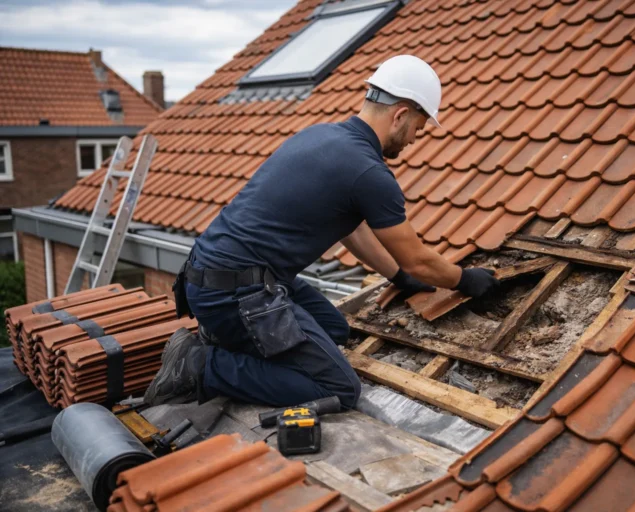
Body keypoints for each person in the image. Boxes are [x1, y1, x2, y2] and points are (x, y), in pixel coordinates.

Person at [144, 55, 500, 411]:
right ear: (401, 115)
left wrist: (396, 276)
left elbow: (353, 230)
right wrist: (464, 279)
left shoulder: (321, 134)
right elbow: (419, 260)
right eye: (417, 128)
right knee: (338, 387)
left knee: (332, 328)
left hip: (214, 276)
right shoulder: (369, 171)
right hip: (236, 293)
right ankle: (200, 366)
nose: (412, 140)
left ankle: (229, 340)